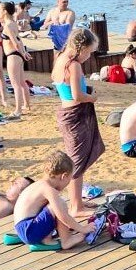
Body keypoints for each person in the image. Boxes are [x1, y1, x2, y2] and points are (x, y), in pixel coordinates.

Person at [51, 28, 104, 214]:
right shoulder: (73, 65)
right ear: (80, 48)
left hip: (67, 111)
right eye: (88, 52)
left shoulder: (60, 58)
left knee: (77, 159)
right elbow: (77, 95)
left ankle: (77, 201)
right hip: (75, 113)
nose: (89, 57)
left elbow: (64, 86)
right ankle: (76, 205)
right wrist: (92, 98)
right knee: (76, 161)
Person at [12, 150, 96, 249]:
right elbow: (62, 215)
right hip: (29, 231)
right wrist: (83, 229)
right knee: (59, 205)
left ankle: (47, 237)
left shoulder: (39, 185)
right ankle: (66, 240)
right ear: (64, 176)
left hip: (24, 229)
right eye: (69, 179)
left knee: (56, 205)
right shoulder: (49, 190)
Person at [0, 2, 32, 119]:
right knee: (22, 82)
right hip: (17, 54)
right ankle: (26, 105)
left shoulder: (8, 25)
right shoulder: (12, 23)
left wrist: (23, 53)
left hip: (12, 55)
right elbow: (19, 40)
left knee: (16, 84)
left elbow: (15, 42)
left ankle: (18, 110)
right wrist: (24, 52)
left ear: (4, 11)